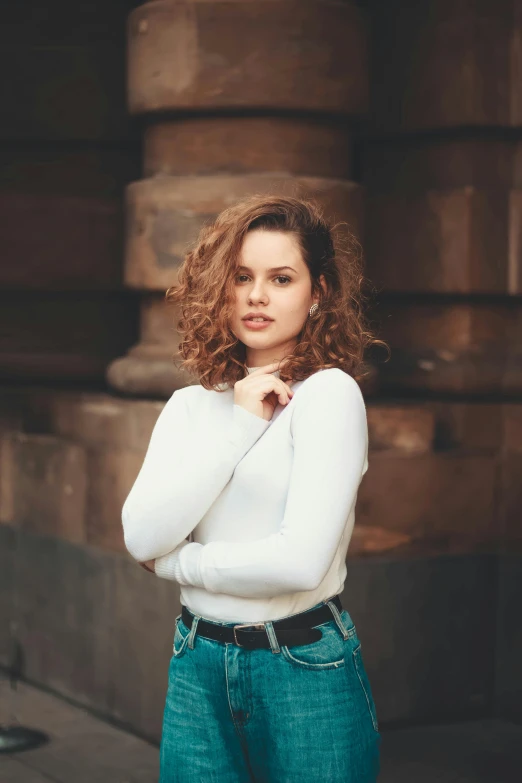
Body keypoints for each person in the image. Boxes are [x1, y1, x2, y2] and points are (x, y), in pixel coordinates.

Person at [122, 194, 386, 782]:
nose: (256, 295)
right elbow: (140, 533)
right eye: (241, 277)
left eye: (281, 278)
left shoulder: (330, 396)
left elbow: (299, 562)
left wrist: (175, 564)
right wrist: (240, 422)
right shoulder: (191, 406)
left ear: (318, 291)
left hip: (301, 666)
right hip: (196, 664)